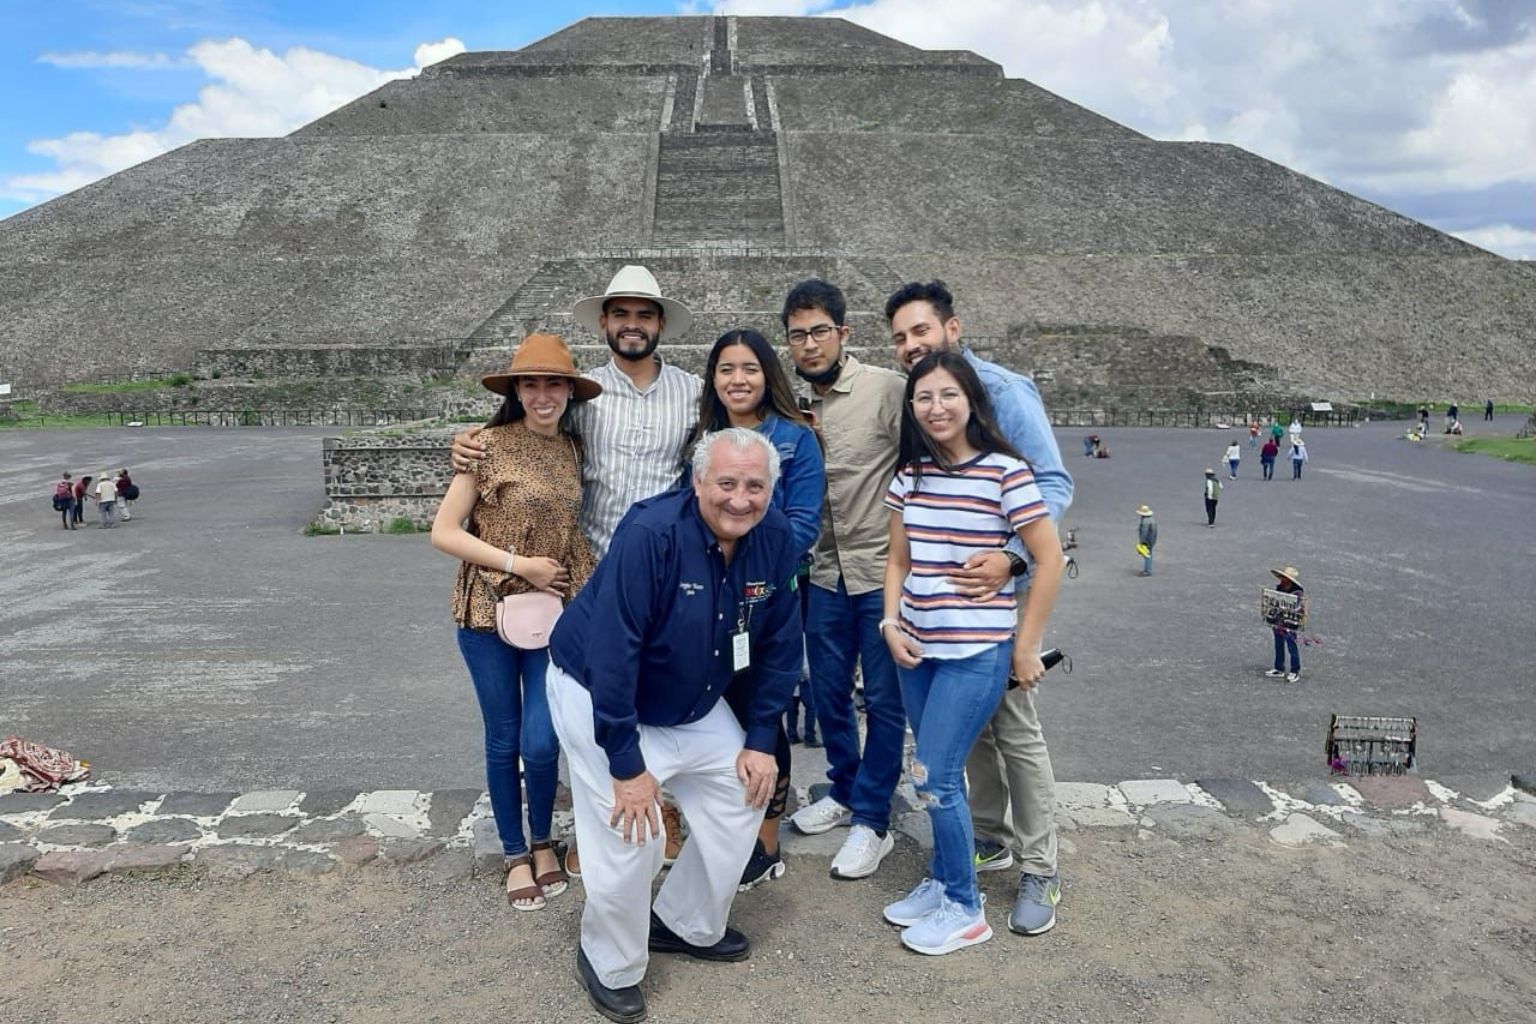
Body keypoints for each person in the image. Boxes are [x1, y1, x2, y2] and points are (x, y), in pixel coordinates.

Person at [547, 428, 802, 1024]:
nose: (740, 499)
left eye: (755, 486)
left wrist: (762, 740)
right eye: (726, 483)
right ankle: (608, 960)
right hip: (603, 696)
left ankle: (684, 923)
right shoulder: (651, 533)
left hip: (689, 697)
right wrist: (629, 768)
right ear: (696, 483)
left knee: (745, 793)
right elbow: (613, 654)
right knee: (633, 831)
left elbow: (783, 643)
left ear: (772, 489)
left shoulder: (777, 536)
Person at [453, 265, 702, 875]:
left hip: (657, 575)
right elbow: (507, 450)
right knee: (584, 712)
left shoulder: (693, 392)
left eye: (645, 315)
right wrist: (464, 443)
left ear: (660, 324)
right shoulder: (578, 399)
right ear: (606, 324)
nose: (633, 325)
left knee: (649, 695)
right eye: (622, 314)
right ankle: (583, 828)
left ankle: (655, 809)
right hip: (581, 581)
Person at [885, 280, 1073, 938]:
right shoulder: (921, 417)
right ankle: (984, 839)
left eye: (922, 332)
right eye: (902, 338)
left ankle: (1040, 865)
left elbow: (1051, 482)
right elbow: (904, 540)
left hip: (1002, 600)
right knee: (971, 742)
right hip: (937, 613)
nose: (912, 346)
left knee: (1015, 732)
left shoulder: (1002, 393)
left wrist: (1012, 558)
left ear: (953, 329)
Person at [431, 333, 599, 911]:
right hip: (487, 609)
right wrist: (518, 564)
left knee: (542, 737)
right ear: (517, 390)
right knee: (504, 737)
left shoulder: (573, 448)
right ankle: (515, 851)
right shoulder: (485, 446)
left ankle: (545, 840)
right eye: (531, 383)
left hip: (552, 613)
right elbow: (444, 531)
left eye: (554, 383)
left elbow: (571, 531)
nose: (542, 394)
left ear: (569, 391)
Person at [682, 328, 825, 891]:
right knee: (719, 709)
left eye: (749, 368)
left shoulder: (795, 439)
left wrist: (742, 547)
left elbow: (804, 526)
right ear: (713, 379)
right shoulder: (703, 438)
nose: (737, 380)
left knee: (764, 711)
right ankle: (724, 823)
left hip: (772, 596)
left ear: (768, 375)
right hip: (709, 599)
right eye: (725, 369)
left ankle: (765, 842)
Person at [778, 279, 909, 882]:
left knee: (884, 701)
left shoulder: (887, 391)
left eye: (819, 332)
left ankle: (873, 818)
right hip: (822, 575)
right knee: (828, 692)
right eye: (798, 335)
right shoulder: (789, 405)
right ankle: (846, 787)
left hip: (882, 573)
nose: (809, 344)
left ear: (843, 333)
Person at [1263, 566, 1306, 683]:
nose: (1281, 579)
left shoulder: (1297, 592)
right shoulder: (1280, 588)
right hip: (1279, 621)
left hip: (1290, 622)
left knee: (1292, 646)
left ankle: (1295, 671)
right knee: (1278, 644)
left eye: (1284, 578)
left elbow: (1298, 607)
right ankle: (1279, 668)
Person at [1136, 505, 1157, 576]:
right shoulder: (1152, 519)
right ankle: (1148, 569)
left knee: (1147, 555)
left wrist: (1142, 542)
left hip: (1147, 541)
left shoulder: (1145, 522)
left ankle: (1147, 570)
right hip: (1152, 540)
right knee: (1150, 554)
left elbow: (1144, 533)